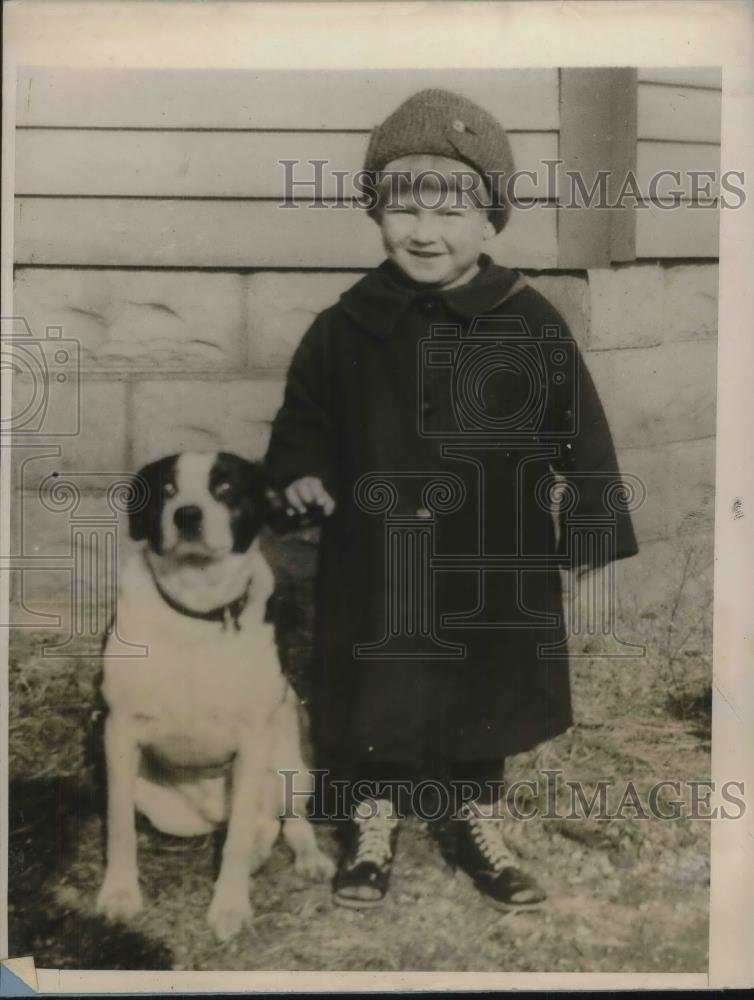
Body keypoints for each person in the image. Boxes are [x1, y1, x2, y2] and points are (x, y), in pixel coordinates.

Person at [265, 88, 638, 910]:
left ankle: (473, 817)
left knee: (488, 690)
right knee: (376, 685)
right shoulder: (344, 327)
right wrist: (299, 471)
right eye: (403, 209)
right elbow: (304, 421)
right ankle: (371, 817)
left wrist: (587, 537)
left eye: (451, 211)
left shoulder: (528, 321)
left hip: (494, 555)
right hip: (378, 556)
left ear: (490, 221)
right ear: (376, 214)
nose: (424, 231)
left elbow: (581, 434)